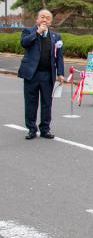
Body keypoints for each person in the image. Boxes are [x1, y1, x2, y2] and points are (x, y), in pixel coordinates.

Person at [18, 9, 65, 140]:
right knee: (31, 102)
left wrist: (60, 73)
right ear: (37, 19)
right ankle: (31, 129)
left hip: (47, 74)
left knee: (46, 103)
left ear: (51, 21)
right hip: (31, 74)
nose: (45, 20)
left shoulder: (56, 37)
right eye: (42, 17)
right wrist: (37, 32)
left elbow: (59, 57)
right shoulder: (28, 31)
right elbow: (24, 43)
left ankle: (45, 129)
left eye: (48, 18)